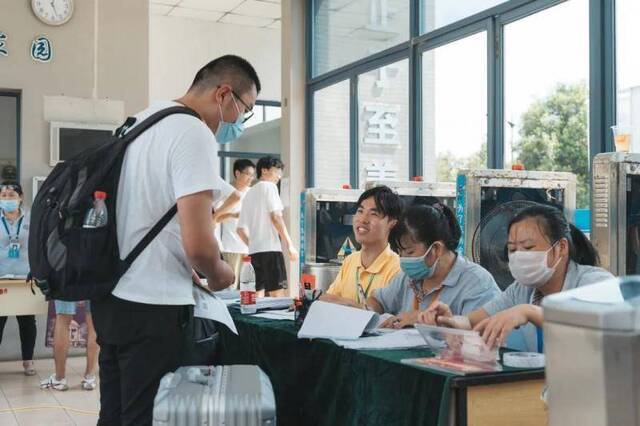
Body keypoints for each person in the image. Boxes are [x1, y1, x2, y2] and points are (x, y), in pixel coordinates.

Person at [92, 55, 257, 425]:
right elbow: (199, 245)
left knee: (115, 415)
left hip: (111, 297)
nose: (238, 123)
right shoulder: (192, 131)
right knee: (148, 417)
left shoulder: (138, 122)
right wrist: (219, 274)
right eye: (244, 111)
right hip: (155, 308)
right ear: (224, 94)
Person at [419, 203, 614, 352]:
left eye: (528, 248)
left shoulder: (595, 282)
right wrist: (449, 322)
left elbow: (591, 328)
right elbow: (472, 322)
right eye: (512, 249)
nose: (519, 255)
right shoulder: (522, 289)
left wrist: (529, 312)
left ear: (561, 248)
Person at [367, 203, 500, 328]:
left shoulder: (477, 282)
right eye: (400, 252)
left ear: (436, 248)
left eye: (409, 252)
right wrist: (368, 313)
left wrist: (422, 318)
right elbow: (377, 300)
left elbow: (481, 331)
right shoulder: (408, 278)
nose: (403, 259)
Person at [321, 186, 402, 307]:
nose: (363, 219)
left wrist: (347, 305)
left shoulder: (398, 269)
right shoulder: (350, 260)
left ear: (392, 223)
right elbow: (327, 300)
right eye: (360, 211)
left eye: (374, 214)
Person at [237, 156, 297, 297]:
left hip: (254, 253)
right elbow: (276, 217)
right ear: (264, 170)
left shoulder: (248, 193)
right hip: (271, 251)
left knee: (256, 299)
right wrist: (289, 244)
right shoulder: (270, 187)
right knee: (278, 297)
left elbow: (240, 230)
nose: (279, 176)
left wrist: (253, 244)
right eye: (276, 171)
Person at [0, 182, 36, 376]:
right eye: (3, 195)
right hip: (1, 277)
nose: (7, 199)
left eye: (11, 195)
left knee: (27, 322)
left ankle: (28, 361)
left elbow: (37, 246)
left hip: (25, 277)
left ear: (20, 197)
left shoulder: (31, 218)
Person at [39, 301, 99, 391]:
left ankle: (59, 379)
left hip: (67, 286)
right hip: (93, 286)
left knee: (63, 318)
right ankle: (89, 378)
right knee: (94, 320)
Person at [214, 159, 255, 287]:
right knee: (231, 287)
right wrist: (233, 215)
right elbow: (215, 218)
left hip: (250, 247)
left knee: (248, 288)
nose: (251, 178)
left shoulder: (253, 193)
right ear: (237, 173)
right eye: (248, 174)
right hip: (232, 248)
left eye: (253, 175)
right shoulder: (227, 194)